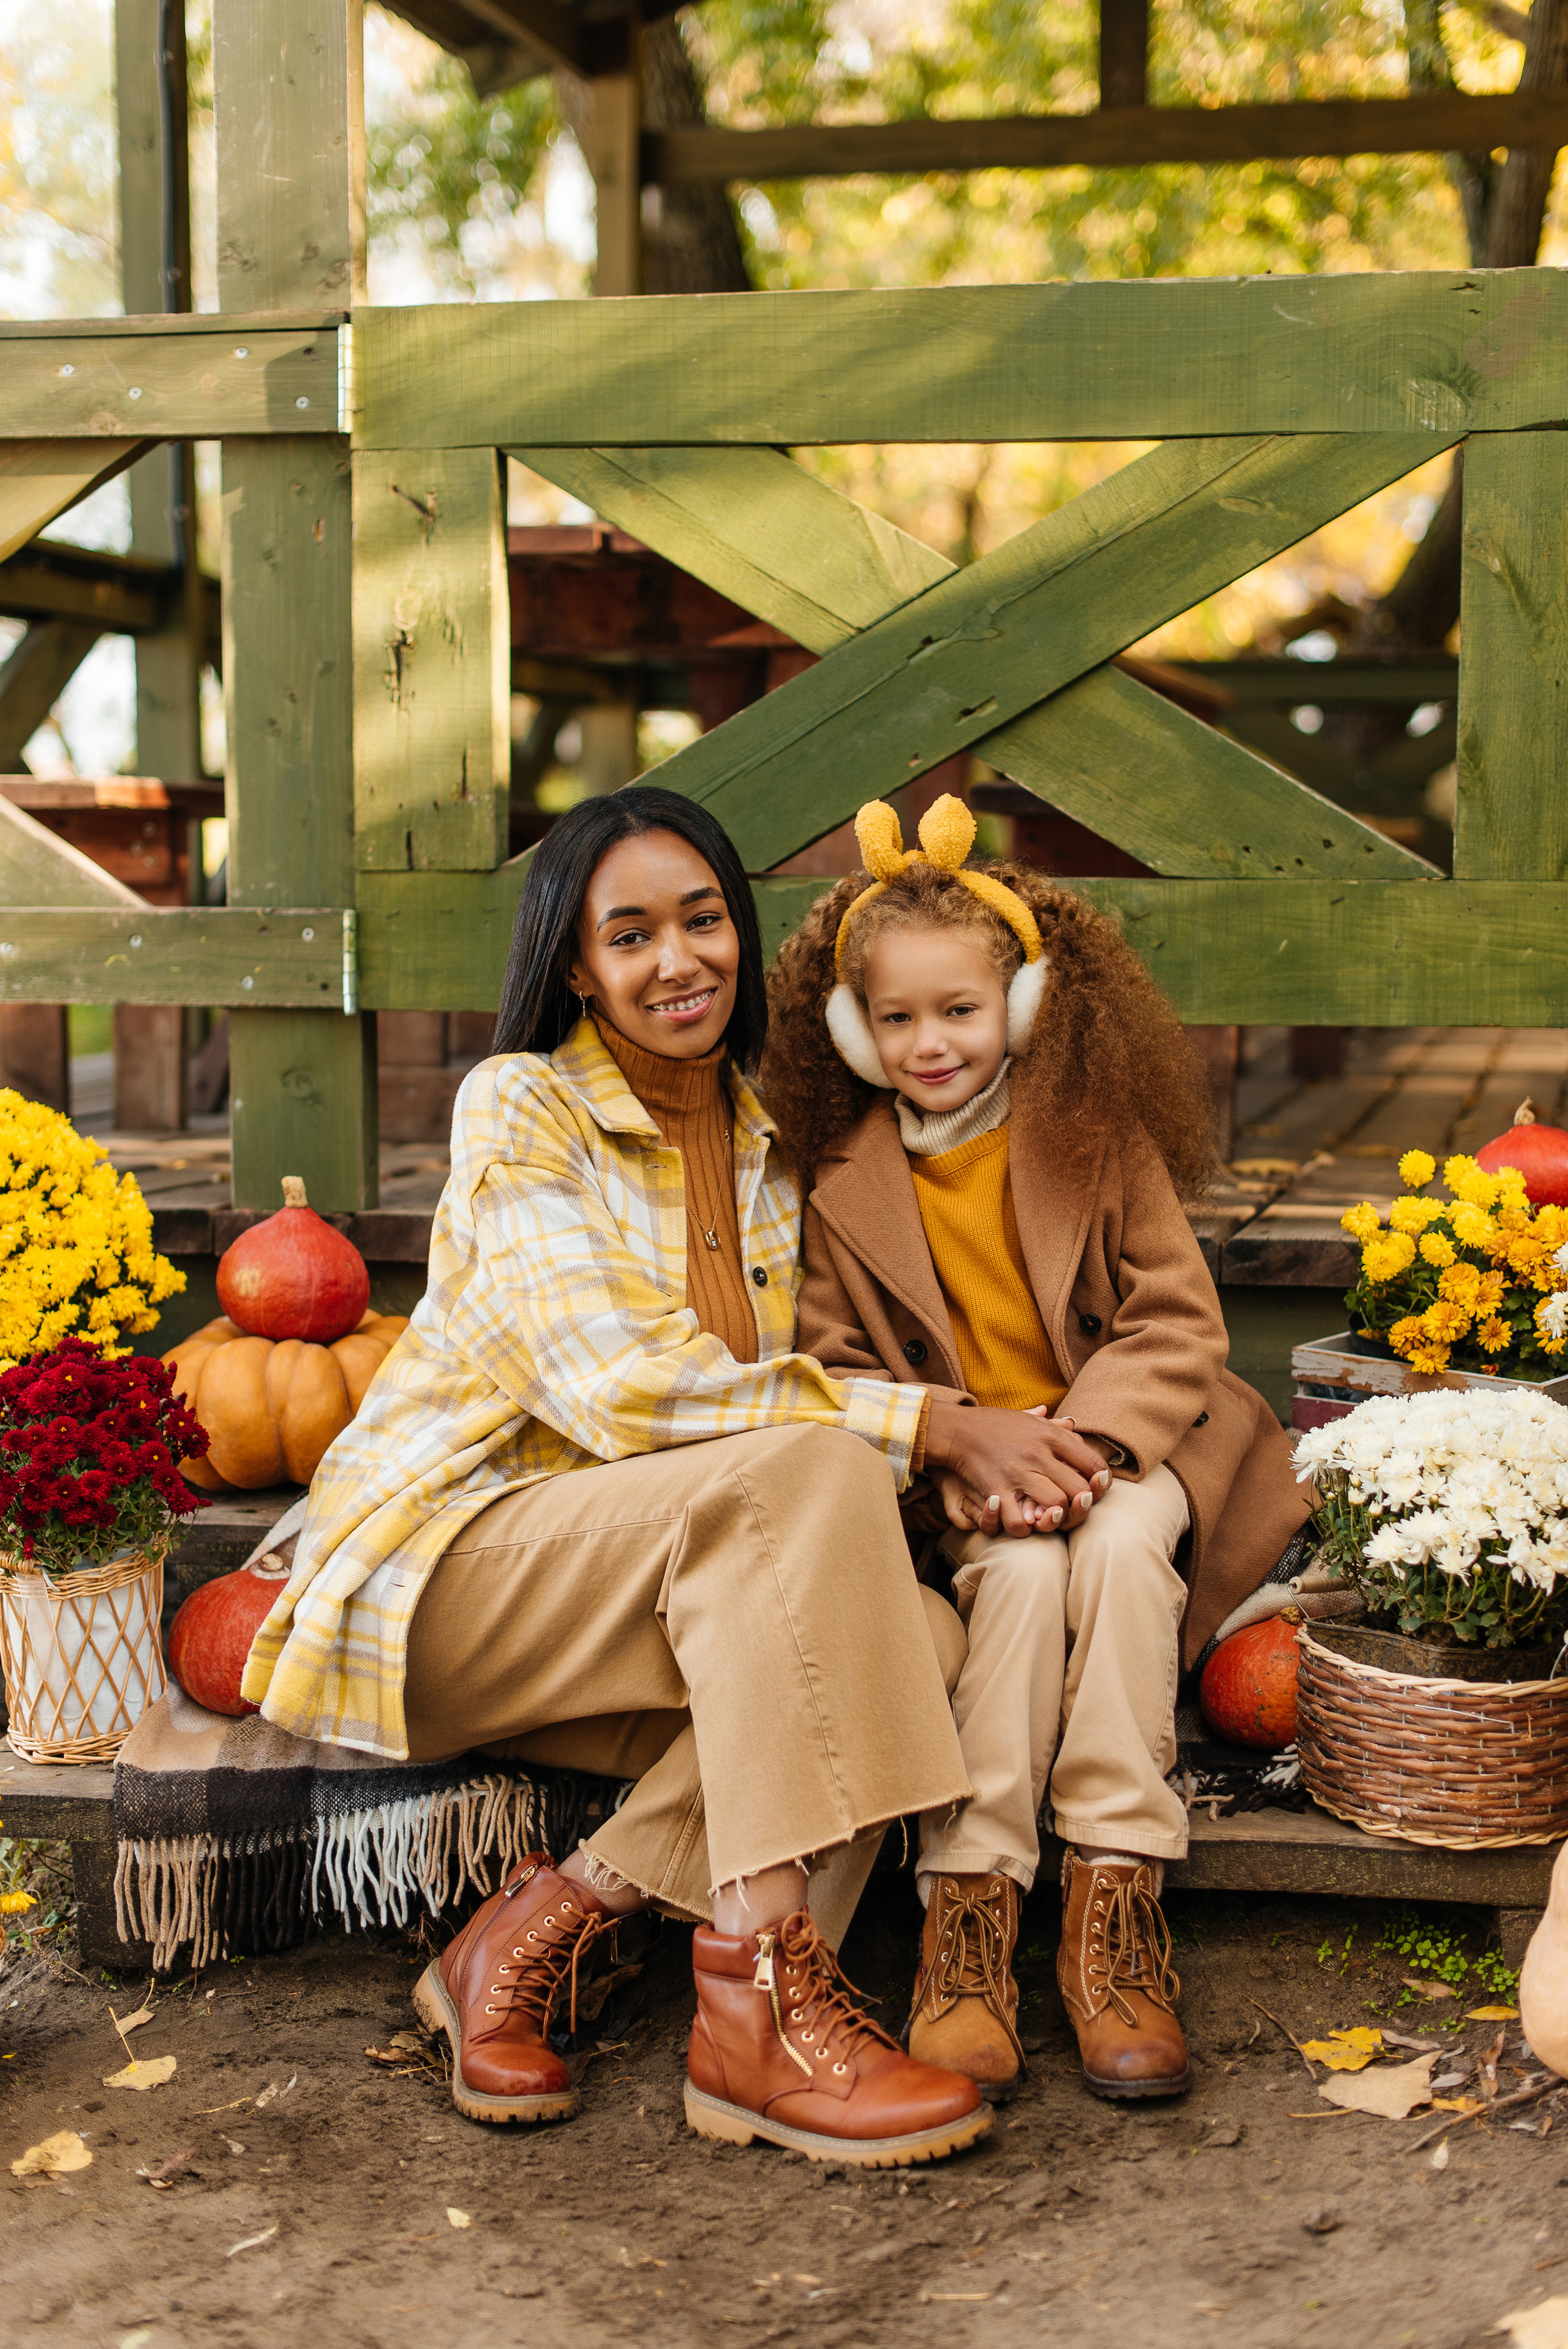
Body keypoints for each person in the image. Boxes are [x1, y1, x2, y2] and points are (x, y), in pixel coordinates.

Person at [239, 785, 1082, 2168]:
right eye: (628, 935)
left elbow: (765, 1417)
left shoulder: (762, 1145)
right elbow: (620, 1391)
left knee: (914, 1637)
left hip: (651, 1583)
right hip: (454, 1577)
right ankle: (755, 2014)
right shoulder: (519, 1110)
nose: (676, 959)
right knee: (808, 1476)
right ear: (574, 966)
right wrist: (933, 1426)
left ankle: (538, 1927)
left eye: (701, 921)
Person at [763, 794, 1310, 2105]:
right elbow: (830, 1368)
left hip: (1127, 1452)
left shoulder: (1091, 1137)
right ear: (849, 1028)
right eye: (892, 1018)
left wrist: (1082, 1451)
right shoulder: (834, 1175)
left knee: (1118, 1550)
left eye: (957, 1011)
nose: (926, 1042)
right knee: (1011, 1583)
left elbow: (1175, 1323)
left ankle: (1113, 1898)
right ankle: (970, 1909)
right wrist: (958, 1460)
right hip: (961, 1483)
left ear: (1016, 1009)